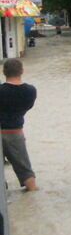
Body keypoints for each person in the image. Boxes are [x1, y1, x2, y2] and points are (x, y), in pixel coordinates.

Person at [0, 58, 38, 191]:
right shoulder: (30, 91)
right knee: (26, 172)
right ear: (21, 71)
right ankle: (32, 199)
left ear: (4, 72)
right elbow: (28, 106)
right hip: (15, 133)